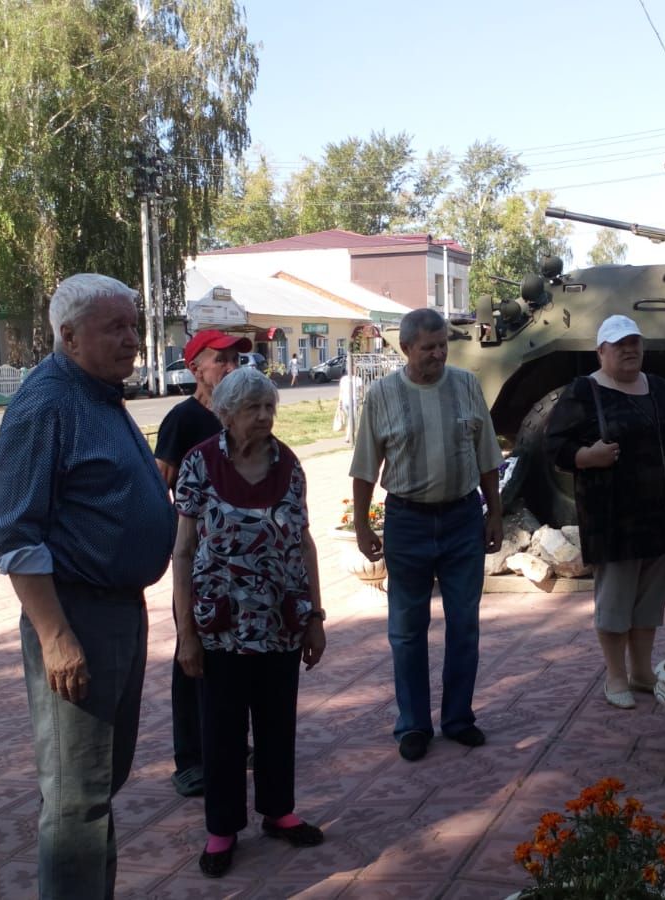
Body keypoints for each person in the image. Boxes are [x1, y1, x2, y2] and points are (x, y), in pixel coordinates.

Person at [0, 273, 175, 899]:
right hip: (76, 617)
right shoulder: (46, 405)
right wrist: (55, 636)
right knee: (76, 796)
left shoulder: (98, 392)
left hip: (117, 612)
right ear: (69, 336)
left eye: (133, 325)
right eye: (115, 328)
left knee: (101, 781)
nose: (132, 341)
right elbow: (14, 535)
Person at [172, 366, 328, 878]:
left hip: (280, 621)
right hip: (220, 627)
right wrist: (185, 635)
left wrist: (315, 617)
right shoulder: (199, 464)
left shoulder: (290, 464)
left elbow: (303, 542)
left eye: (269, 408)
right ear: (226, 414)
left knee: (277, 722)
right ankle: (222, 829)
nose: (264, 417)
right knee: (221, 732)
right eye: (253, 409)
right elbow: (184, 551)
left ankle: (278, 812)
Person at [349, 308, 503, 762]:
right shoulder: (382, 394)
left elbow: (487, 455)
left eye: (443, 346)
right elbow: (364, 467)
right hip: (407, 522)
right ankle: (413, 725)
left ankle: (458, 719)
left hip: (461, 520)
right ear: (406, 349)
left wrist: (494, 514)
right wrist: (361, 524)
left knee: (465, 625)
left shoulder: (466, 385)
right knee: (407, 630)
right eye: (428, 347)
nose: (438, 354)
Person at [544, 315, 665, 708]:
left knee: (650, 600)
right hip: (615, 517)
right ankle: (615, 676)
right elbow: (553, 446)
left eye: (634, 342)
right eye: (619, 344)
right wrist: (586, 456)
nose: (629, 349)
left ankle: (642, 671)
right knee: (615, 600)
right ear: (601, 351)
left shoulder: (661, 388)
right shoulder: (585, 391)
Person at [153, 328, 250, 799]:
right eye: (221, 360)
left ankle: (233, 742)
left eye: (236, 359)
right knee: (191, 656)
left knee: (241, 652)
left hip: (246, 566)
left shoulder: (243, 417)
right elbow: (158, 488)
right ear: (195, 369)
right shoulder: (183, 419)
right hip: (197, 565)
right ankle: (190, 759)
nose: (231, 367)